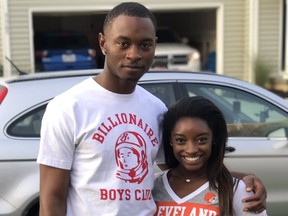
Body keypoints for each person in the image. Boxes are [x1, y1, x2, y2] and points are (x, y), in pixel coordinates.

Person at [37, 2, 266, 215]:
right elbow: (52, 200)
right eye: (123, 43)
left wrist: (242, 180)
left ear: (154, 46)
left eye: (145, 45)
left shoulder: (156, 109)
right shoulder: (68, 107)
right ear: (103, 43)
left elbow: (185, 173)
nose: (134, 54)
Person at [152, 96, 268, 216]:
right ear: (170, 140)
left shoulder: (236, 189)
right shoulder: (152, 185)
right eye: (180, 140)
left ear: (214, 139)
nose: (191, 150)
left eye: (201, 139)